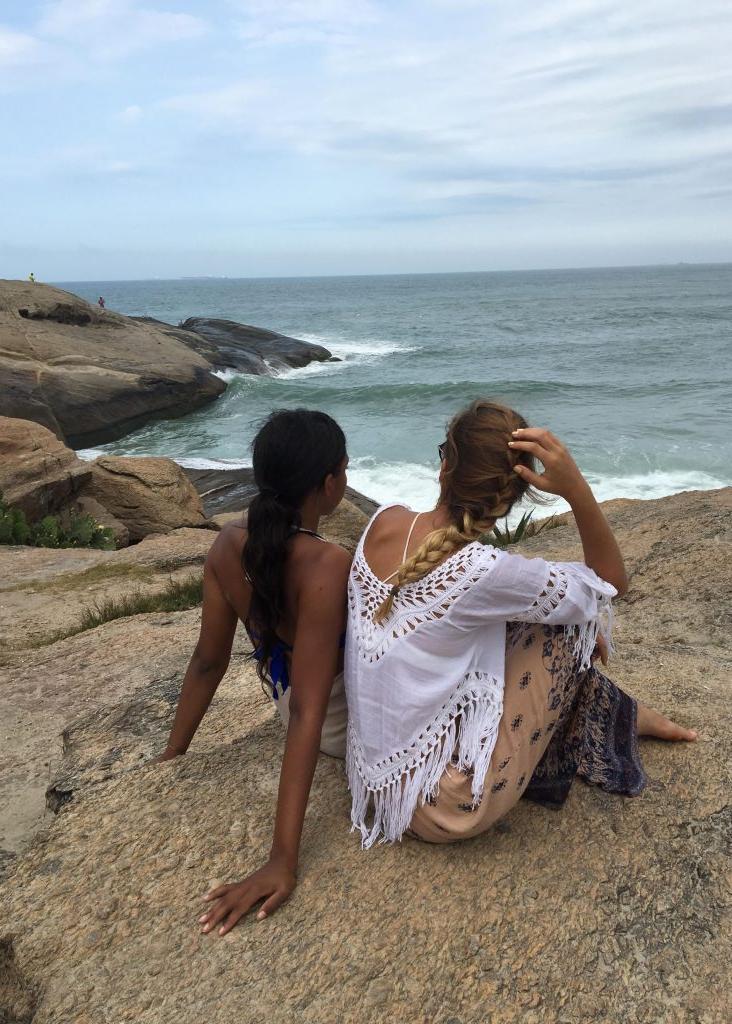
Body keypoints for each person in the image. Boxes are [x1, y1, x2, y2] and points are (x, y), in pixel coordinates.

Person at [345, 399, 696, 847]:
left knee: (543, 609)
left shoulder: (383, 520)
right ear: (513, 495)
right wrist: (577, 490)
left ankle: (622, 714)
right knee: (569, 625)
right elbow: (610, 583)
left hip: (374, 787)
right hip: (443, 807)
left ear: (445, 465)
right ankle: (613, 719)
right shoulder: (484, 571)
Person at [157, 409, 351, 933]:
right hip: (340, 723)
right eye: (344, 468)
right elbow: (315, 708)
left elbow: (207, 661)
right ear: (329, 484)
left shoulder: (226, 545)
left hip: (292, 704)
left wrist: (173, 756)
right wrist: (281, 858)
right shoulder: (328, 564)